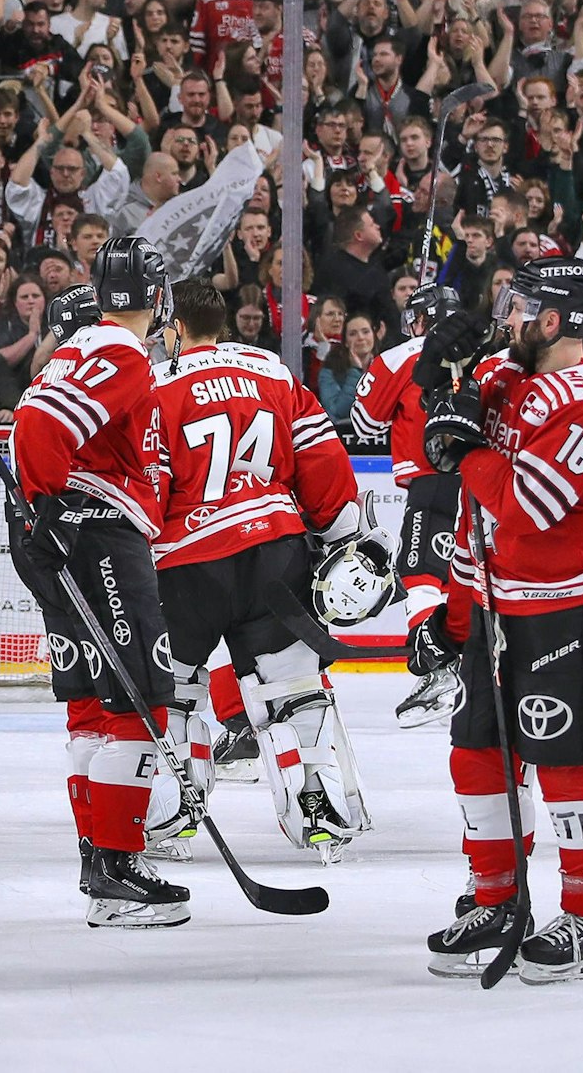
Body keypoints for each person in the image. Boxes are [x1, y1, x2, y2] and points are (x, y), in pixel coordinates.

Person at [414, 259, 583, 982]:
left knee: (571, 760)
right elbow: (451, 431)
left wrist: (468, 449)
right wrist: (437, 370)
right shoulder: (514, 375)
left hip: (568, 601)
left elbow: (527, 506)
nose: (505, 316)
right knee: (477, 751)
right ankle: (498, 901)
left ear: (552, 322)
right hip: (493, 598)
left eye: (519, 307)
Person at [147, 281, 386, 863]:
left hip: (187, 564)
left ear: (174, 326)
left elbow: (147, 480)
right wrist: (342, 536)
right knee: (296, 691)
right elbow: (322, 463)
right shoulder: (273, 372)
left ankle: (174, 818)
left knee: (175, 693)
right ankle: (319, 810)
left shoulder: (154, 384)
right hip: (275, 555)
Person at [8, 236, 187, 927]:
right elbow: (39, 422)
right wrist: (49, 501)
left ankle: (98, 858)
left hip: (72, 532)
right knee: (142, 697)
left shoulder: (81, 343)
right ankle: (116, 867)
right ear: (156, 295)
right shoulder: (118, 351)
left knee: (90, 705)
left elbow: (38, 416)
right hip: (98, 532)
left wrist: (42, 508)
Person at [349, 282, 466, 727]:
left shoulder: (401, 356)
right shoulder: (489, 353)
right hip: (485, 488)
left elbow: (364, 420)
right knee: (469, 578)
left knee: (419, 576)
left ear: (422, 318)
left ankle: (437, 672)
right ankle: (476, 667)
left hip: (431, 485)